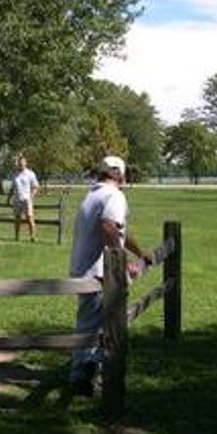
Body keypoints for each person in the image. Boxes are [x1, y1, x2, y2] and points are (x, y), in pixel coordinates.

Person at [68, 155, 151, 396]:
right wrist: (121, 267)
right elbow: (108, 228)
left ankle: (88, 372)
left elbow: (119, 230)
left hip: (86, 268)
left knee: (92, 324)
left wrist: (140, 253)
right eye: (123, 174)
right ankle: (81, 379)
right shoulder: (114, 195)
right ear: (118, 174)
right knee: (91, 327)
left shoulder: (93, 194)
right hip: (99, 273)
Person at [6, 154, 40, 242]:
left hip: (27, 199)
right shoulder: (15, 175)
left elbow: (36, 186)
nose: (21, 164)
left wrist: (31, 197)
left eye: (23, 162)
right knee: (17, 219)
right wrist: (8, 199)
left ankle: (33, 237)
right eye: (20, 163)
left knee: (29, 218)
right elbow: (12, 188)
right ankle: (17, 236)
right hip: (17, 200)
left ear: (26, 163)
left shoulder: (30, 174)